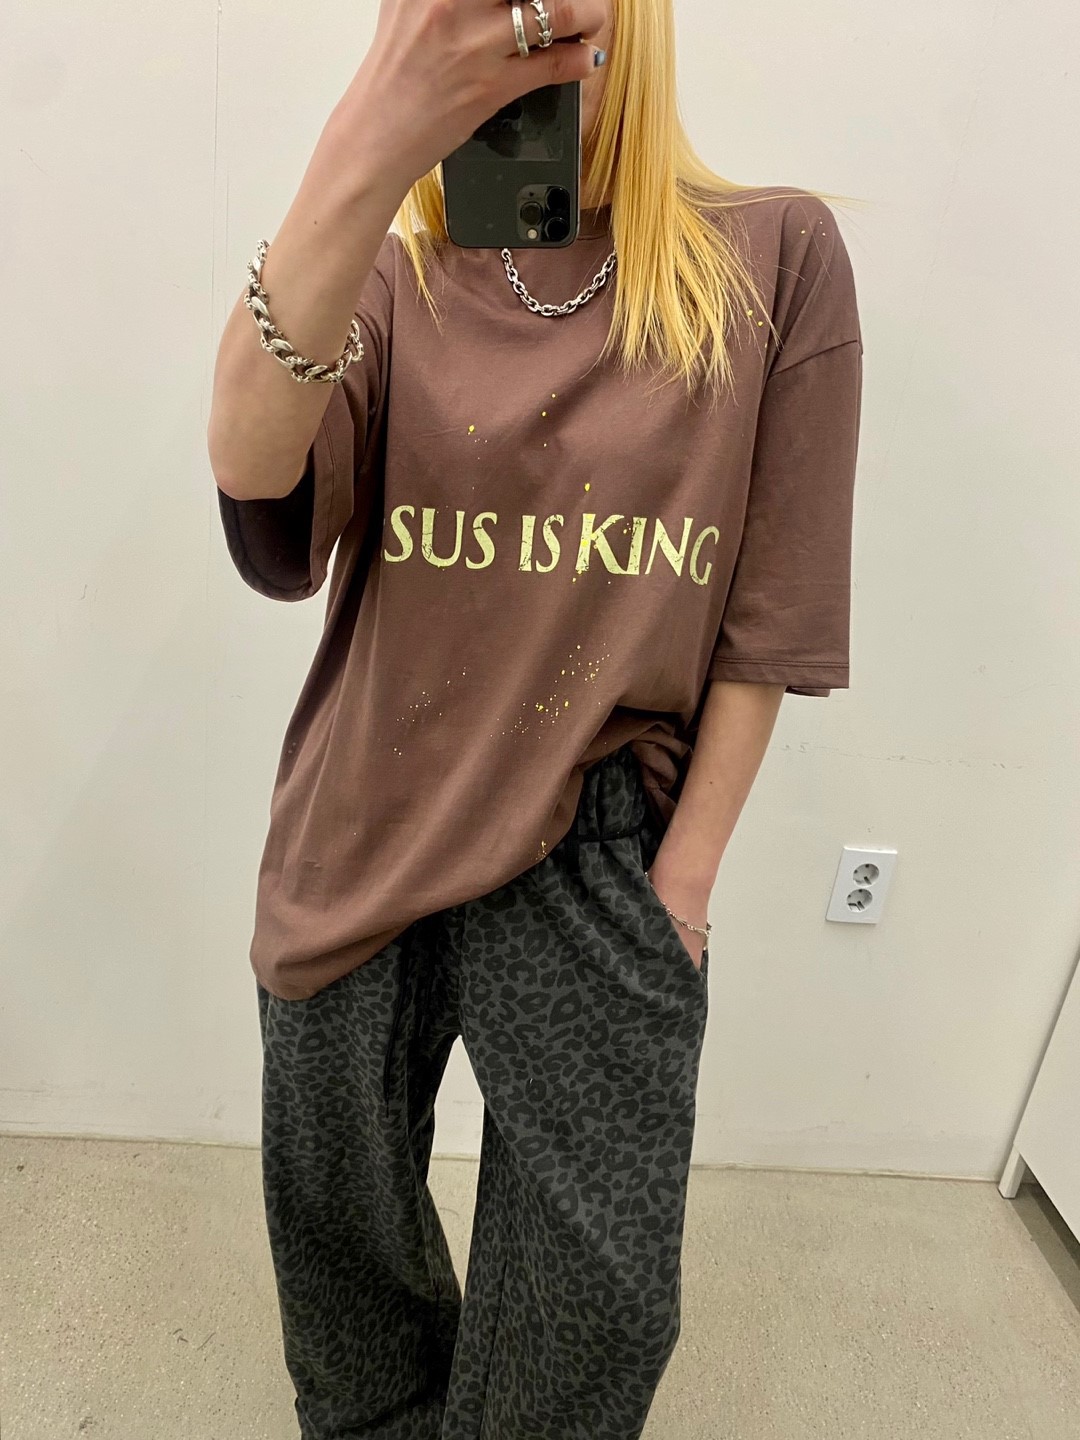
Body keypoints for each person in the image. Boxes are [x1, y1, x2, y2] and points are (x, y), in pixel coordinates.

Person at [206, 0, 863, 1434]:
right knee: (344, 1264)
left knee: (593, 1311)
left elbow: (769, 622)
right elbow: (260, 505)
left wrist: (683, 885)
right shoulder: (395, 278)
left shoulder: (776, 259)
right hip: (366, 815)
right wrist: (366, 146)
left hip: (603, 841)